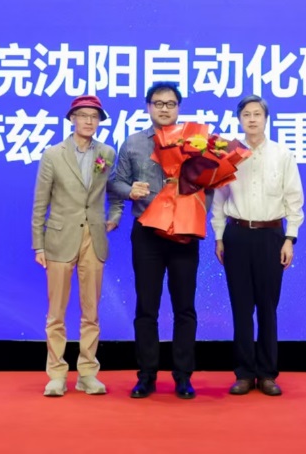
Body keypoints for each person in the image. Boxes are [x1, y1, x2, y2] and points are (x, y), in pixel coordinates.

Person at [108, 81, 199, 399]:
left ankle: (183, 376)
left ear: (178, 108)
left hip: (184, 233)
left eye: (170, 103)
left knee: (184, 307)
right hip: (147, 234)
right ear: (148, 107)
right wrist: (129, 190)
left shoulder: (195, 143)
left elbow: (209, 183)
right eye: (158, 103)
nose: (164, 109)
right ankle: (146, 375)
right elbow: (115, 183)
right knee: (147, 306)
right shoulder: (133, 143)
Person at [211, 94, 304, 396]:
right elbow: (219, 199)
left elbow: (294, 199)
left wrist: (290, 238)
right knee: (240, 307)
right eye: (246, 115)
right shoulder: (229, 154)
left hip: (271, 236)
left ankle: (266, 374)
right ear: (239, 119)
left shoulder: (282, 154)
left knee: (267, 307)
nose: (252, 119)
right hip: (237, 235)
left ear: (266, 119)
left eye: (257, 114)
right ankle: (243, 373)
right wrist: (219, 236)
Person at [31, 94, 120, 397]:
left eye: (94, 117)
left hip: (93, 239)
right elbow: (40, 202)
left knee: (91, 311)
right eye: (83, 115)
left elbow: (115, 191)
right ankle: (56, 373)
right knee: (56, 312)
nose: (88, 121)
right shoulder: (53, 155)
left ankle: (87, 373)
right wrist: (38, 245)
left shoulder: (106, 153)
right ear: (72, 119)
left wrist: (115, 215)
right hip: (59, 239)